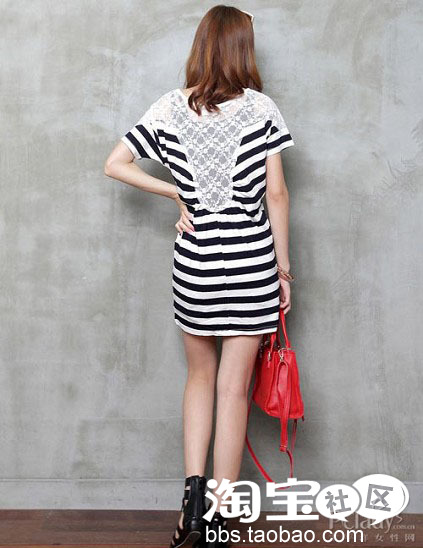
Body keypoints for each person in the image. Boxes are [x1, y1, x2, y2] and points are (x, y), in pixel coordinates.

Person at [104, 5, 295, 547]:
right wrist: (284, 271)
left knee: (199, 378)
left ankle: (189, 506)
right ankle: (219, 514)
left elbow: (115, 163)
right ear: (242, 50)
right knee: (233, 390)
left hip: (195, 263)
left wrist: (175, 191)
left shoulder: (169, 107)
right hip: (252, 262)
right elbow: (277, 194)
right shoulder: (262, 109)